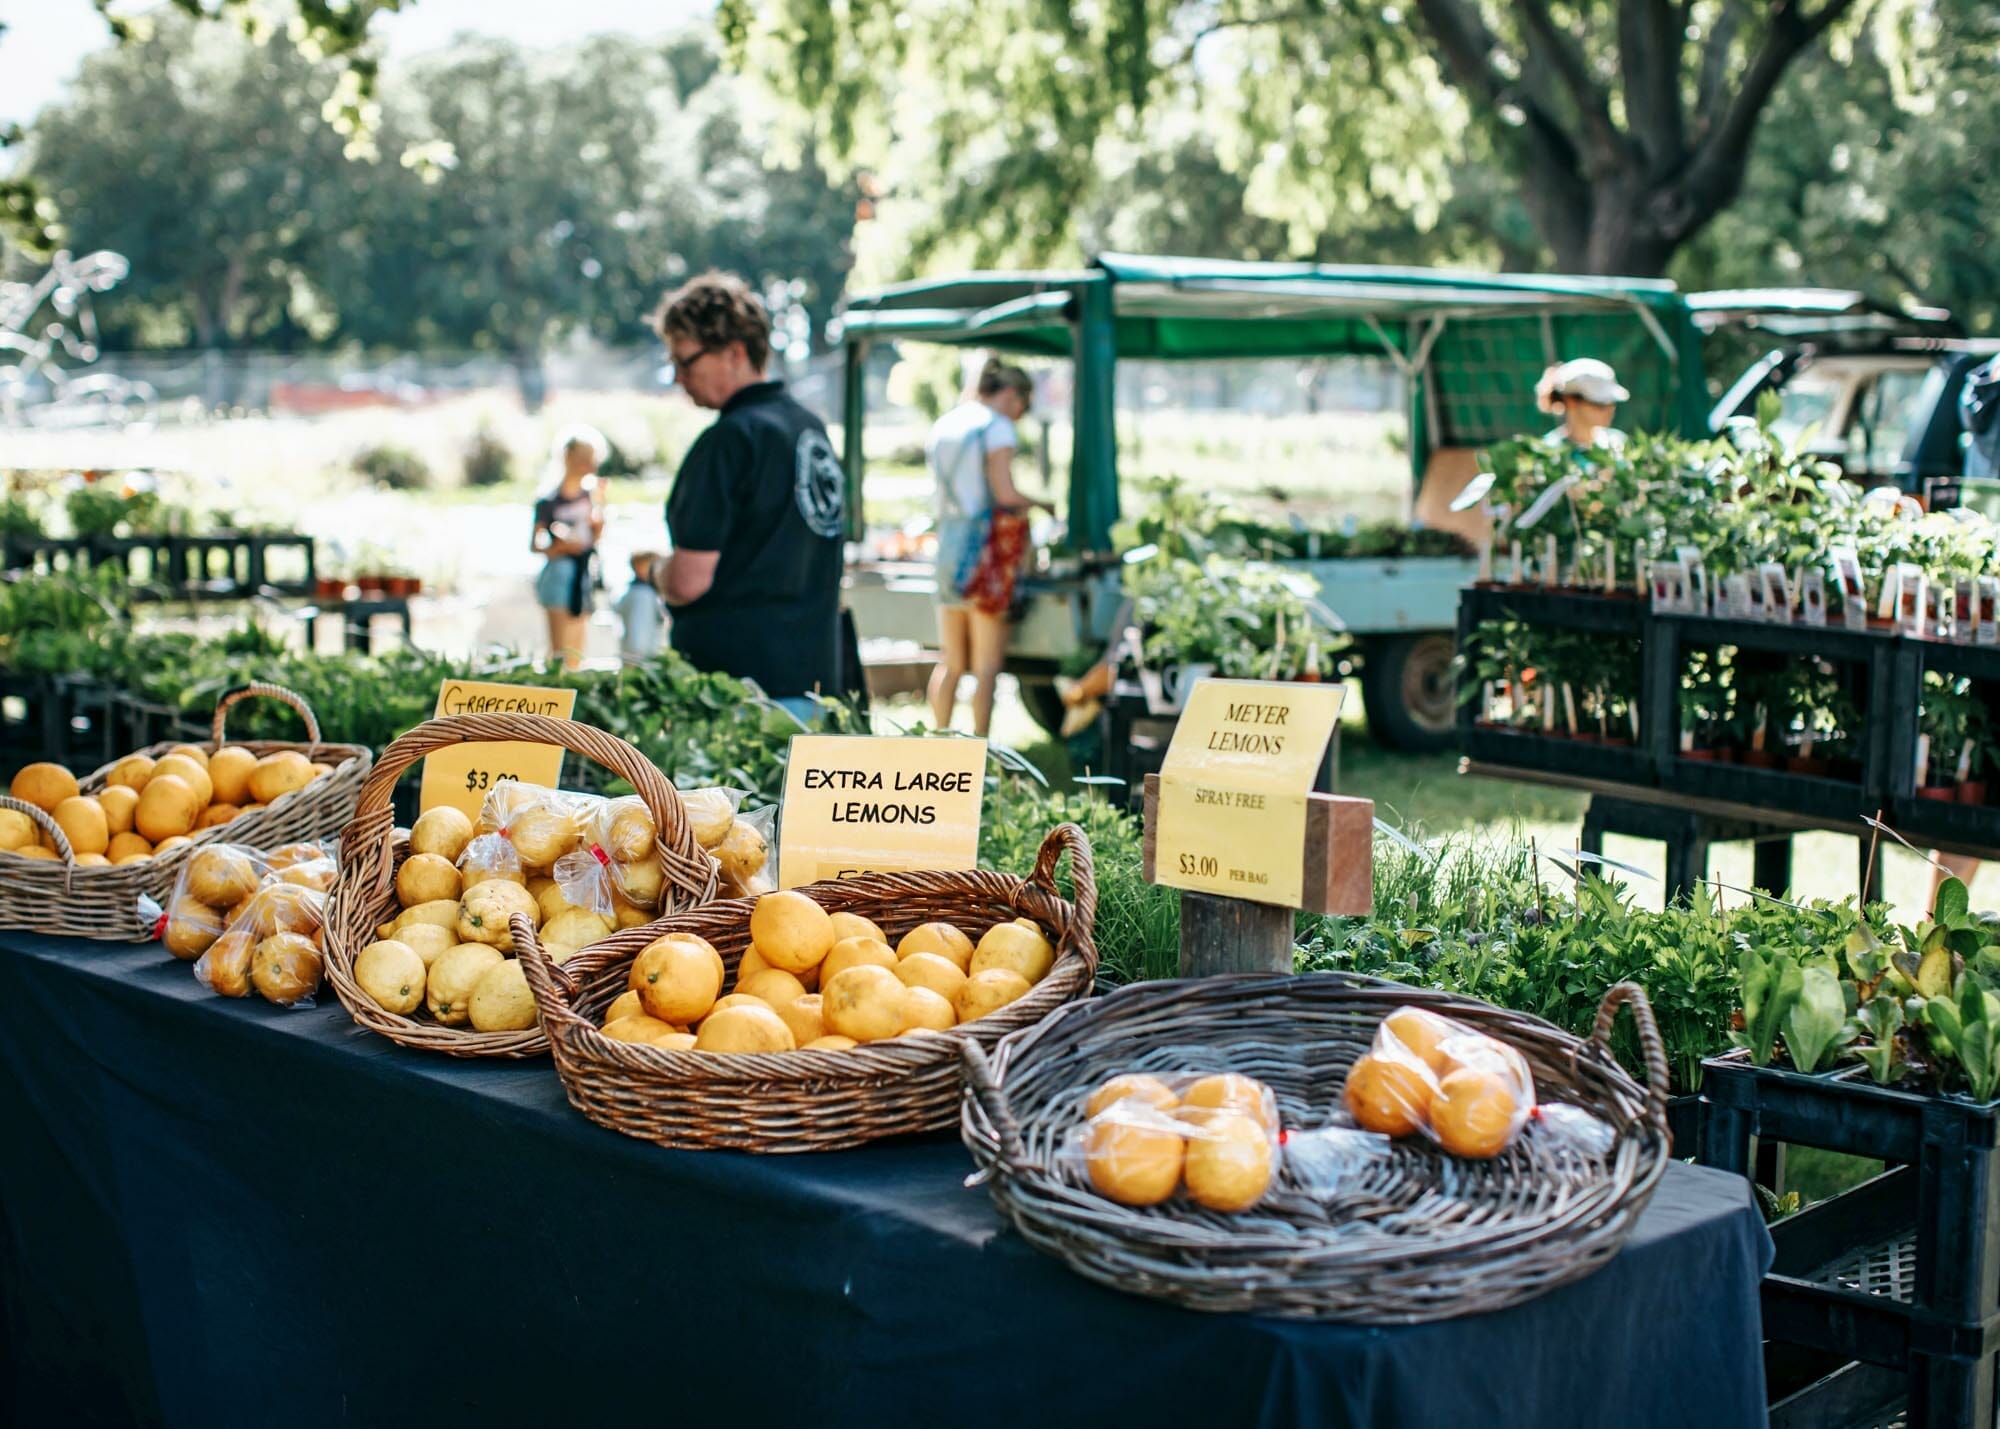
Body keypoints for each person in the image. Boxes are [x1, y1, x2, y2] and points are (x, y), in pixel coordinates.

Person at [635, 272, 844, 719]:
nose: (677, 377)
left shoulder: (730, 441)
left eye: (685, 361)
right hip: (813, 681)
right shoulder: (809, 428)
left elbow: (689, 581)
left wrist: (653, 570)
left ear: (734, 353)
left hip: (737, 695)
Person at [924, 356, 1049, 736]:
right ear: (1011, 394)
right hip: (984, 554)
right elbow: (1004, 493)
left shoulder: (946, 423)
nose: (1018, 416)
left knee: (951, 661)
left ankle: (936, 742)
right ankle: (978, 754)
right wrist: (1044, 505)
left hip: (946, 547)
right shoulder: (996, 429)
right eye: (1020, 407)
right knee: (986, 668)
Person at [532, 425, 608, 670]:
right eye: (583, 460)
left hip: (582, 574)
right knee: (559, 653)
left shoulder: (591, 495)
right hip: (558, 574)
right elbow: (535, 545)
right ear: (568, 458)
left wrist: (600, 516)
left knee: (576, 653)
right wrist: (560, 548)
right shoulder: (548, 499)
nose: (588, 466)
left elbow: (595, 539)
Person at [1536, 358, 1629, 450]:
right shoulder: (1546, 452)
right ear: (1570, 401)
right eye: (1599, 404)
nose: (1610, 409)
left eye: (1611, 402)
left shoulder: (1619, 444)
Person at [614, 552, 664, 664]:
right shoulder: (646, 593)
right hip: (643, 648)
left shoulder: (631, 591)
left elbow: (617, 608)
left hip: (632, 646)